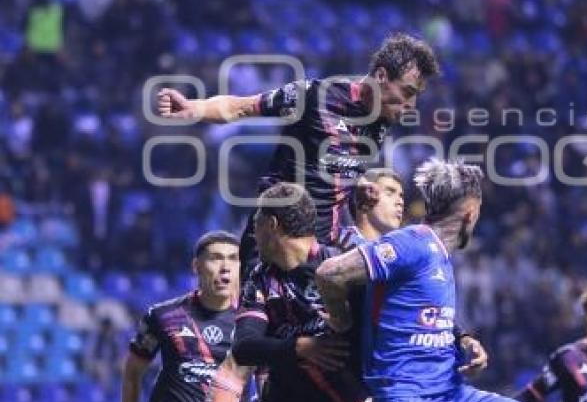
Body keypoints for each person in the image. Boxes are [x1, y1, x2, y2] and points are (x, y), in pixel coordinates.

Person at [157, 33, 440, 273]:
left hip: (323, 250)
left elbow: (334, 167)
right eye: (407, 91)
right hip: (277, 238)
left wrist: (358, 186)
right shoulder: (314, 96)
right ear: (381, 76)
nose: (412, 104)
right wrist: (195, 108)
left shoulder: (381, 120)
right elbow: (239, 107)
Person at [316, 158, 530, 402]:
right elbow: (330, 273)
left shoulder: (440, 253)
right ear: (471, 212)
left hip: (453, 392)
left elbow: (425, 317)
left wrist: (464, 341)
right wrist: (342, 320)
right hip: (409, 398)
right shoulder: (411, 242)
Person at [212, 181, 368, 402]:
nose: (254, 236)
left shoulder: (341, 266)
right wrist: (300, 347)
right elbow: (244, 347)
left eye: (256, 225)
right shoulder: (261, 278)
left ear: (272, 224)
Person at [121, 231, 249, 402]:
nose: (225, 267)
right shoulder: (163, 316)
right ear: (197, 266)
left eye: (233, 259)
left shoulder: (251, 321)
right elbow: (132, 372)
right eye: (216, 258)